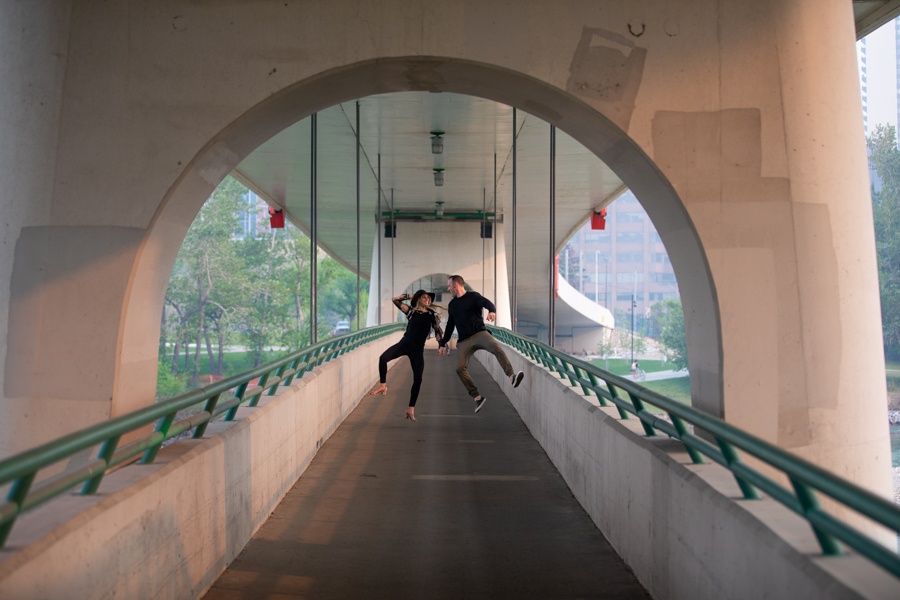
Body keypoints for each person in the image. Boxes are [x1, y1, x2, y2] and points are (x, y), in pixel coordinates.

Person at [437, 275, 524, 413]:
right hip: (464, 341)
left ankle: (512, 376)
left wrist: (492, 311)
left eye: (449, 286)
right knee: (459, 369)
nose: (448, 289)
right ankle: (477, 397)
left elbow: (487, 303)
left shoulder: (473, 297)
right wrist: (442, 343)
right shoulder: (452, 305)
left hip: (479, 334)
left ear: (456, 285)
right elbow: (449, 326)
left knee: (496, 347)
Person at [370, 290, 444, 422]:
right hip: (405, 344)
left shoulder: (432, 315)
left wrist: (442, 345)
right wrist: (412, 296)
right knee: (383, 358)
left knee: (418, 379)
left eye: (428, 298)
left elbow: (438, 331)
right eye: (424, 297)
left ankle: (411, 408)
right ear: (418, 299)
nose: (427, 300)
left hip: (418, 350)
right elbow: (395, 299)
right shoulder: (411, 312)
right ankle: (383, 385)